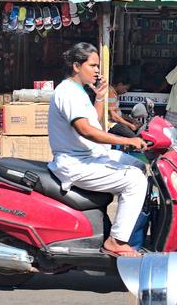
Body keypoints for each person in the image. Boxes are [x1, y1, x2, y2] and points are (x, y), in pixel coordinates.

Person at [47, 43, 148, 258]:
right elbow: (86, 130)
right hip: (76, 163)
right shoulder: (67, 93)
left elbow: (94, 122)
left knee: (139, 165)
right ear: (76, 66)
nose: (97, 71)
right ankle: (116, 240)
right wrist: (128, 141)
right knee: (136, 180)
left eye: (97, 66)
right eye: (92, 65)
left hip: (91, 155)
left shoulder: (79, 91)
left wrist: (100, 97)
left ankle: (132, 227)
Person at [107, 67, 141, 138]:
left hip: (116, 122)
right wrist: (130, 125)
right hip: (111, 124)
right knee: (134, 138)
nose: (125, 91)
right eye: (125, 88)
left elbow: (119, 114)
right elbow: (114, 116)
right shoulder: (110, 94)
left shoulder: (114, 93)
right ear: (120, 84)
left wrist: (132, 121)